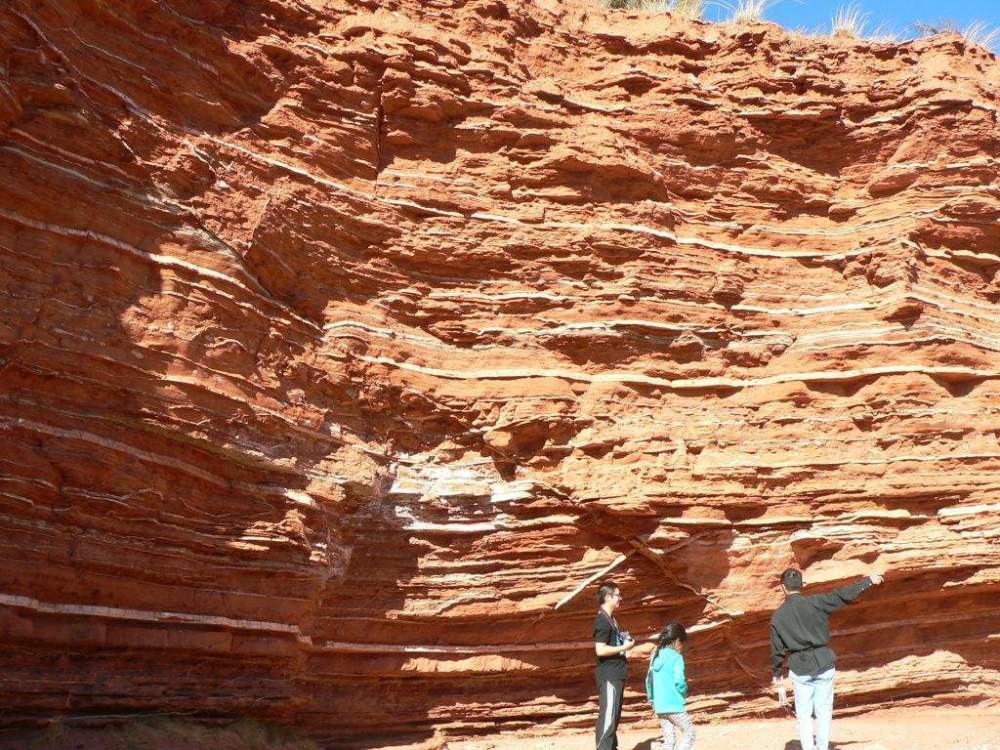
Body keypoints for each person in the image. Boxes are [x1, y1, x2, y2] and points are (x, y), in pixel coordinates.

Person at [770, 568, 884, 750]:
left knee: (804, 716)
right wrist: (868, 581)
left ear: (783, 587)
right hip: (824, 663)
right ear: (802, 585)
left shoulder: (778, 617)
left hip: (800, 668)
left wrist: (777, 673)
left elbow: (777, 650)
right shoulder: (817, 602)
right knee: (823, 713)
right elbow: (842, 595)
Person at [594, 580, 636, 750]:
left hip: (616, 673)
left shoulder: (611, 619)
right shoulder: (602, 620)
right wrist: (624, 647)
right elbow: (600, 649)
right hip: (609, 675)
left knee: (614, 717)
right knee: (608, 717)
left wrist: (624, 644)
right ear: (608, 597)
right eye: (618, 595)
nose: (620, 598)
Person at [646, 622, 695, 750]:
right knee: (690, 732)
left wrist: (652, 699)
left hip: (659, 706)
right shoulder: (676, 657)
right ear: (677, 640)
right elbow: (680, 681)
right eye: (682, 643)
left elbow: (648, 681)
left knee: (669, 740)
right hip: (674, 705)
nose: (682, 647)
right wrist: (683, 693)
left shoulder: (655, 656)